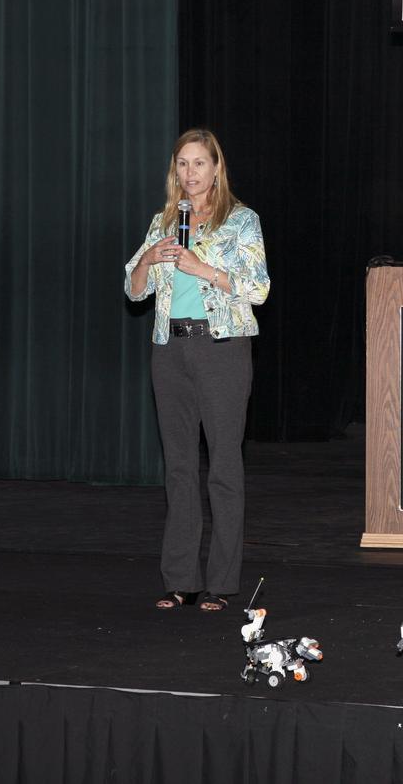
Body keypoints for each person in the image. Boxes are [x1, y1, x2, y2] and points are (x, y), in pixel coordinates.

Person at [124, 129, 270, 612]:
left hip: (222, 349)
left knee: (223, 467)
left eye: (199, 164)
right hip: (171, 351)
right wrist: (149, 258)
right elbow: (134, 291)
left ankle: (222, 584)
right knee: (180, 468)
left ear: (216, 169)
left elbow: (259, 289)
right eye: (182, 164)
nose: (190, 173)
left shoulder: (241, 221)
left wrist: (199, 265)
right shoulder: (163, 221)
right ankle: (180, 579)